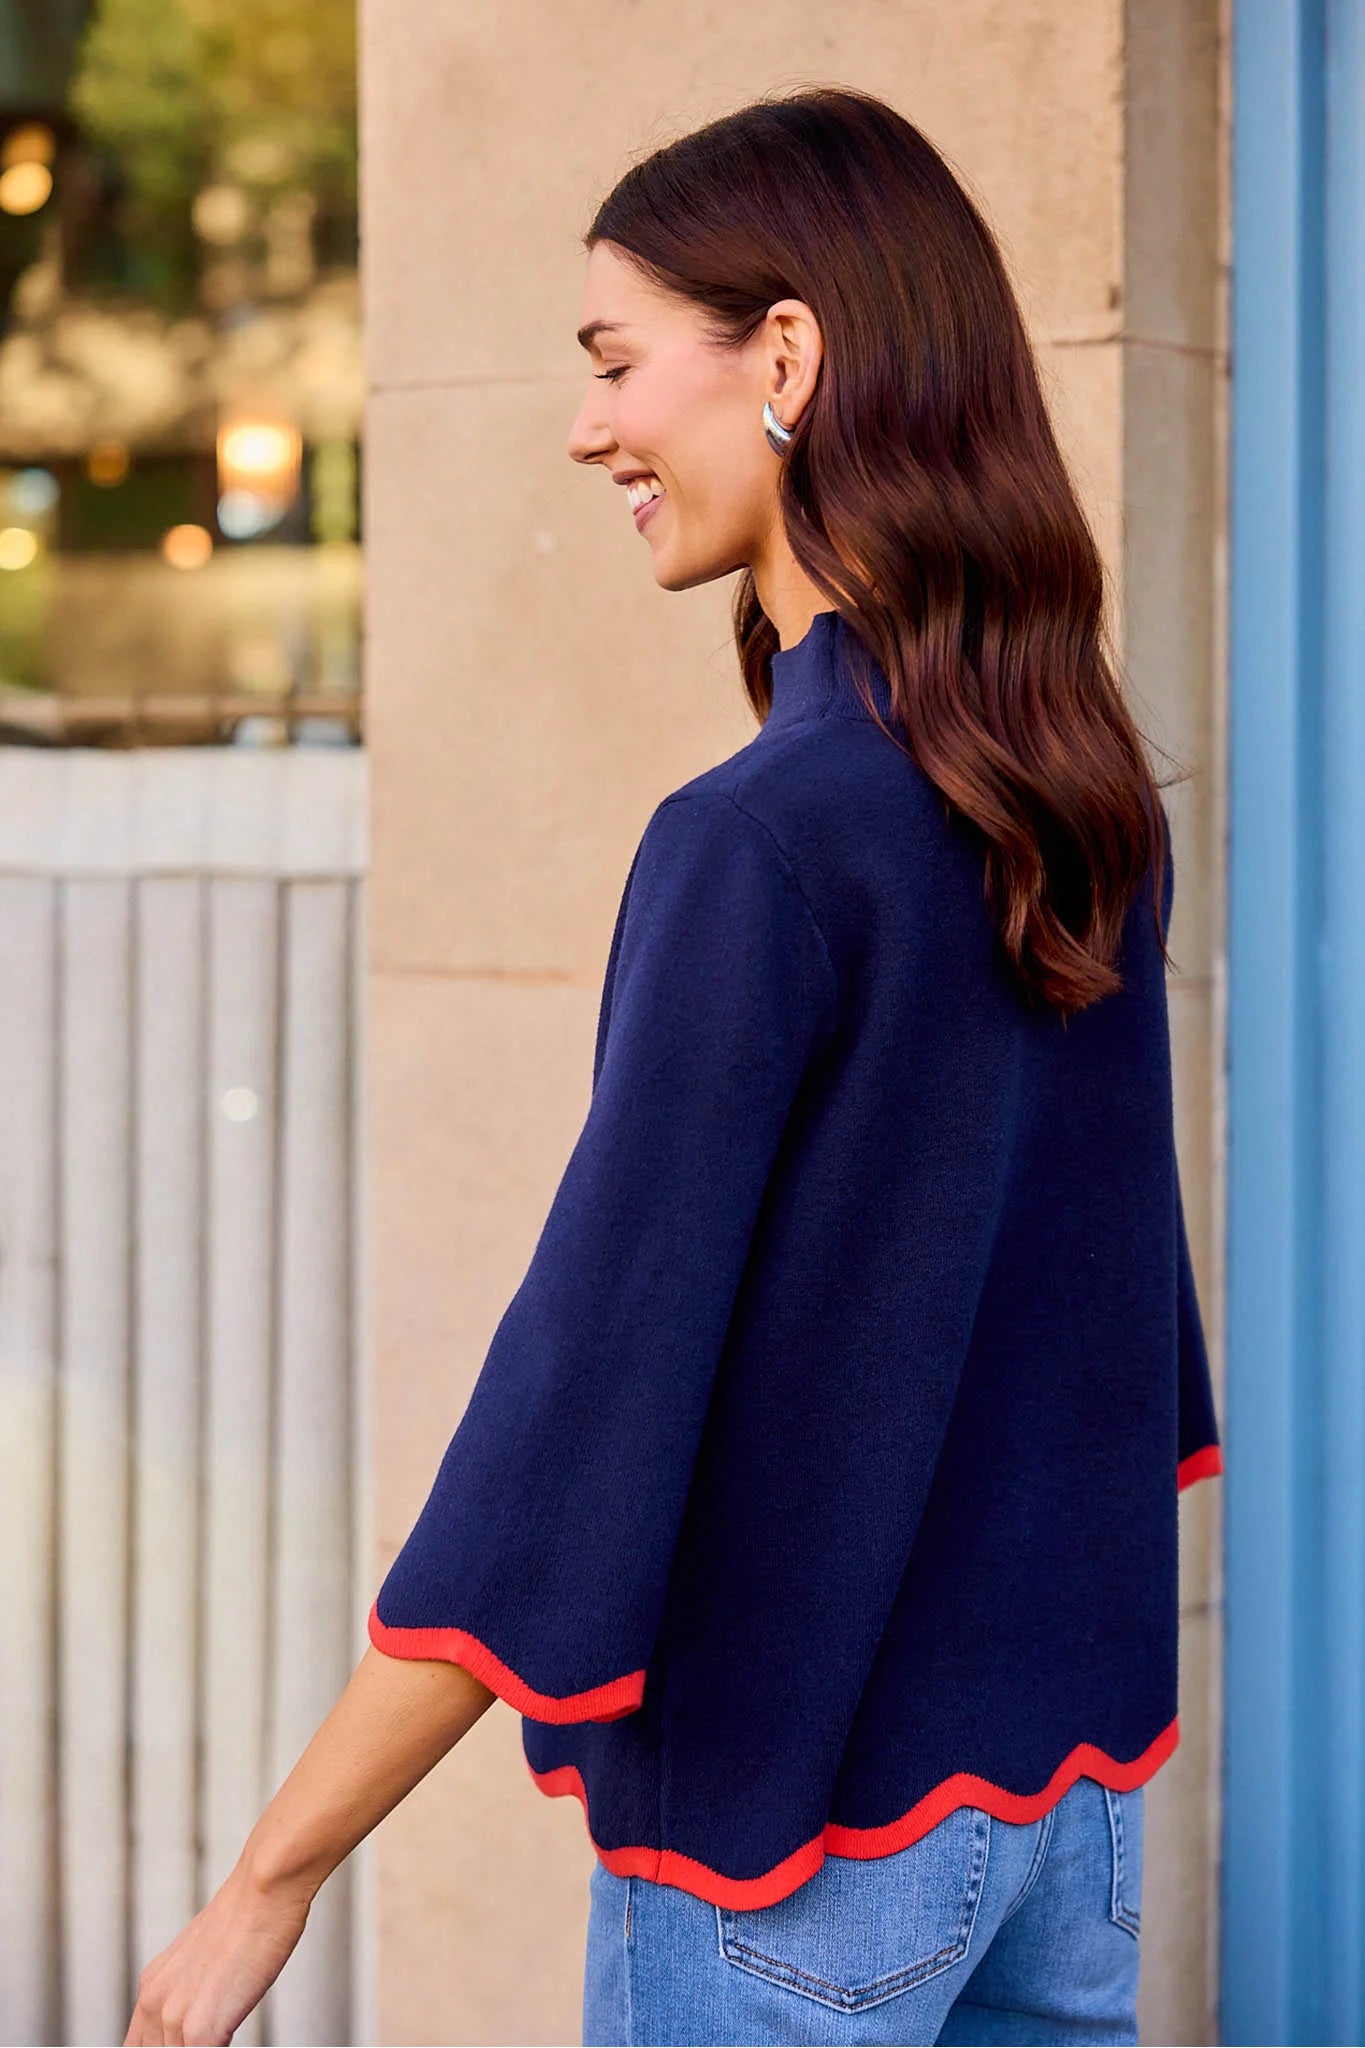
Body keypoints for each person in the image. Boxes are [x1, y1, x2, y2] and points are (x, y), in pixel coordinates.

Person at [123, 85, 1223, 2048]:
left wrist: (264, 1878)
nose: (584, 428)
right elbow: (1114, 1355)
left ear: (783, 355)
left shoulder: (761, 839)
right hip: (1063, 1826)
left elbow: (570, 1430)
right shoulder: (1078, 804)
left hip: (791, 1868)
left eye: (617, 364)